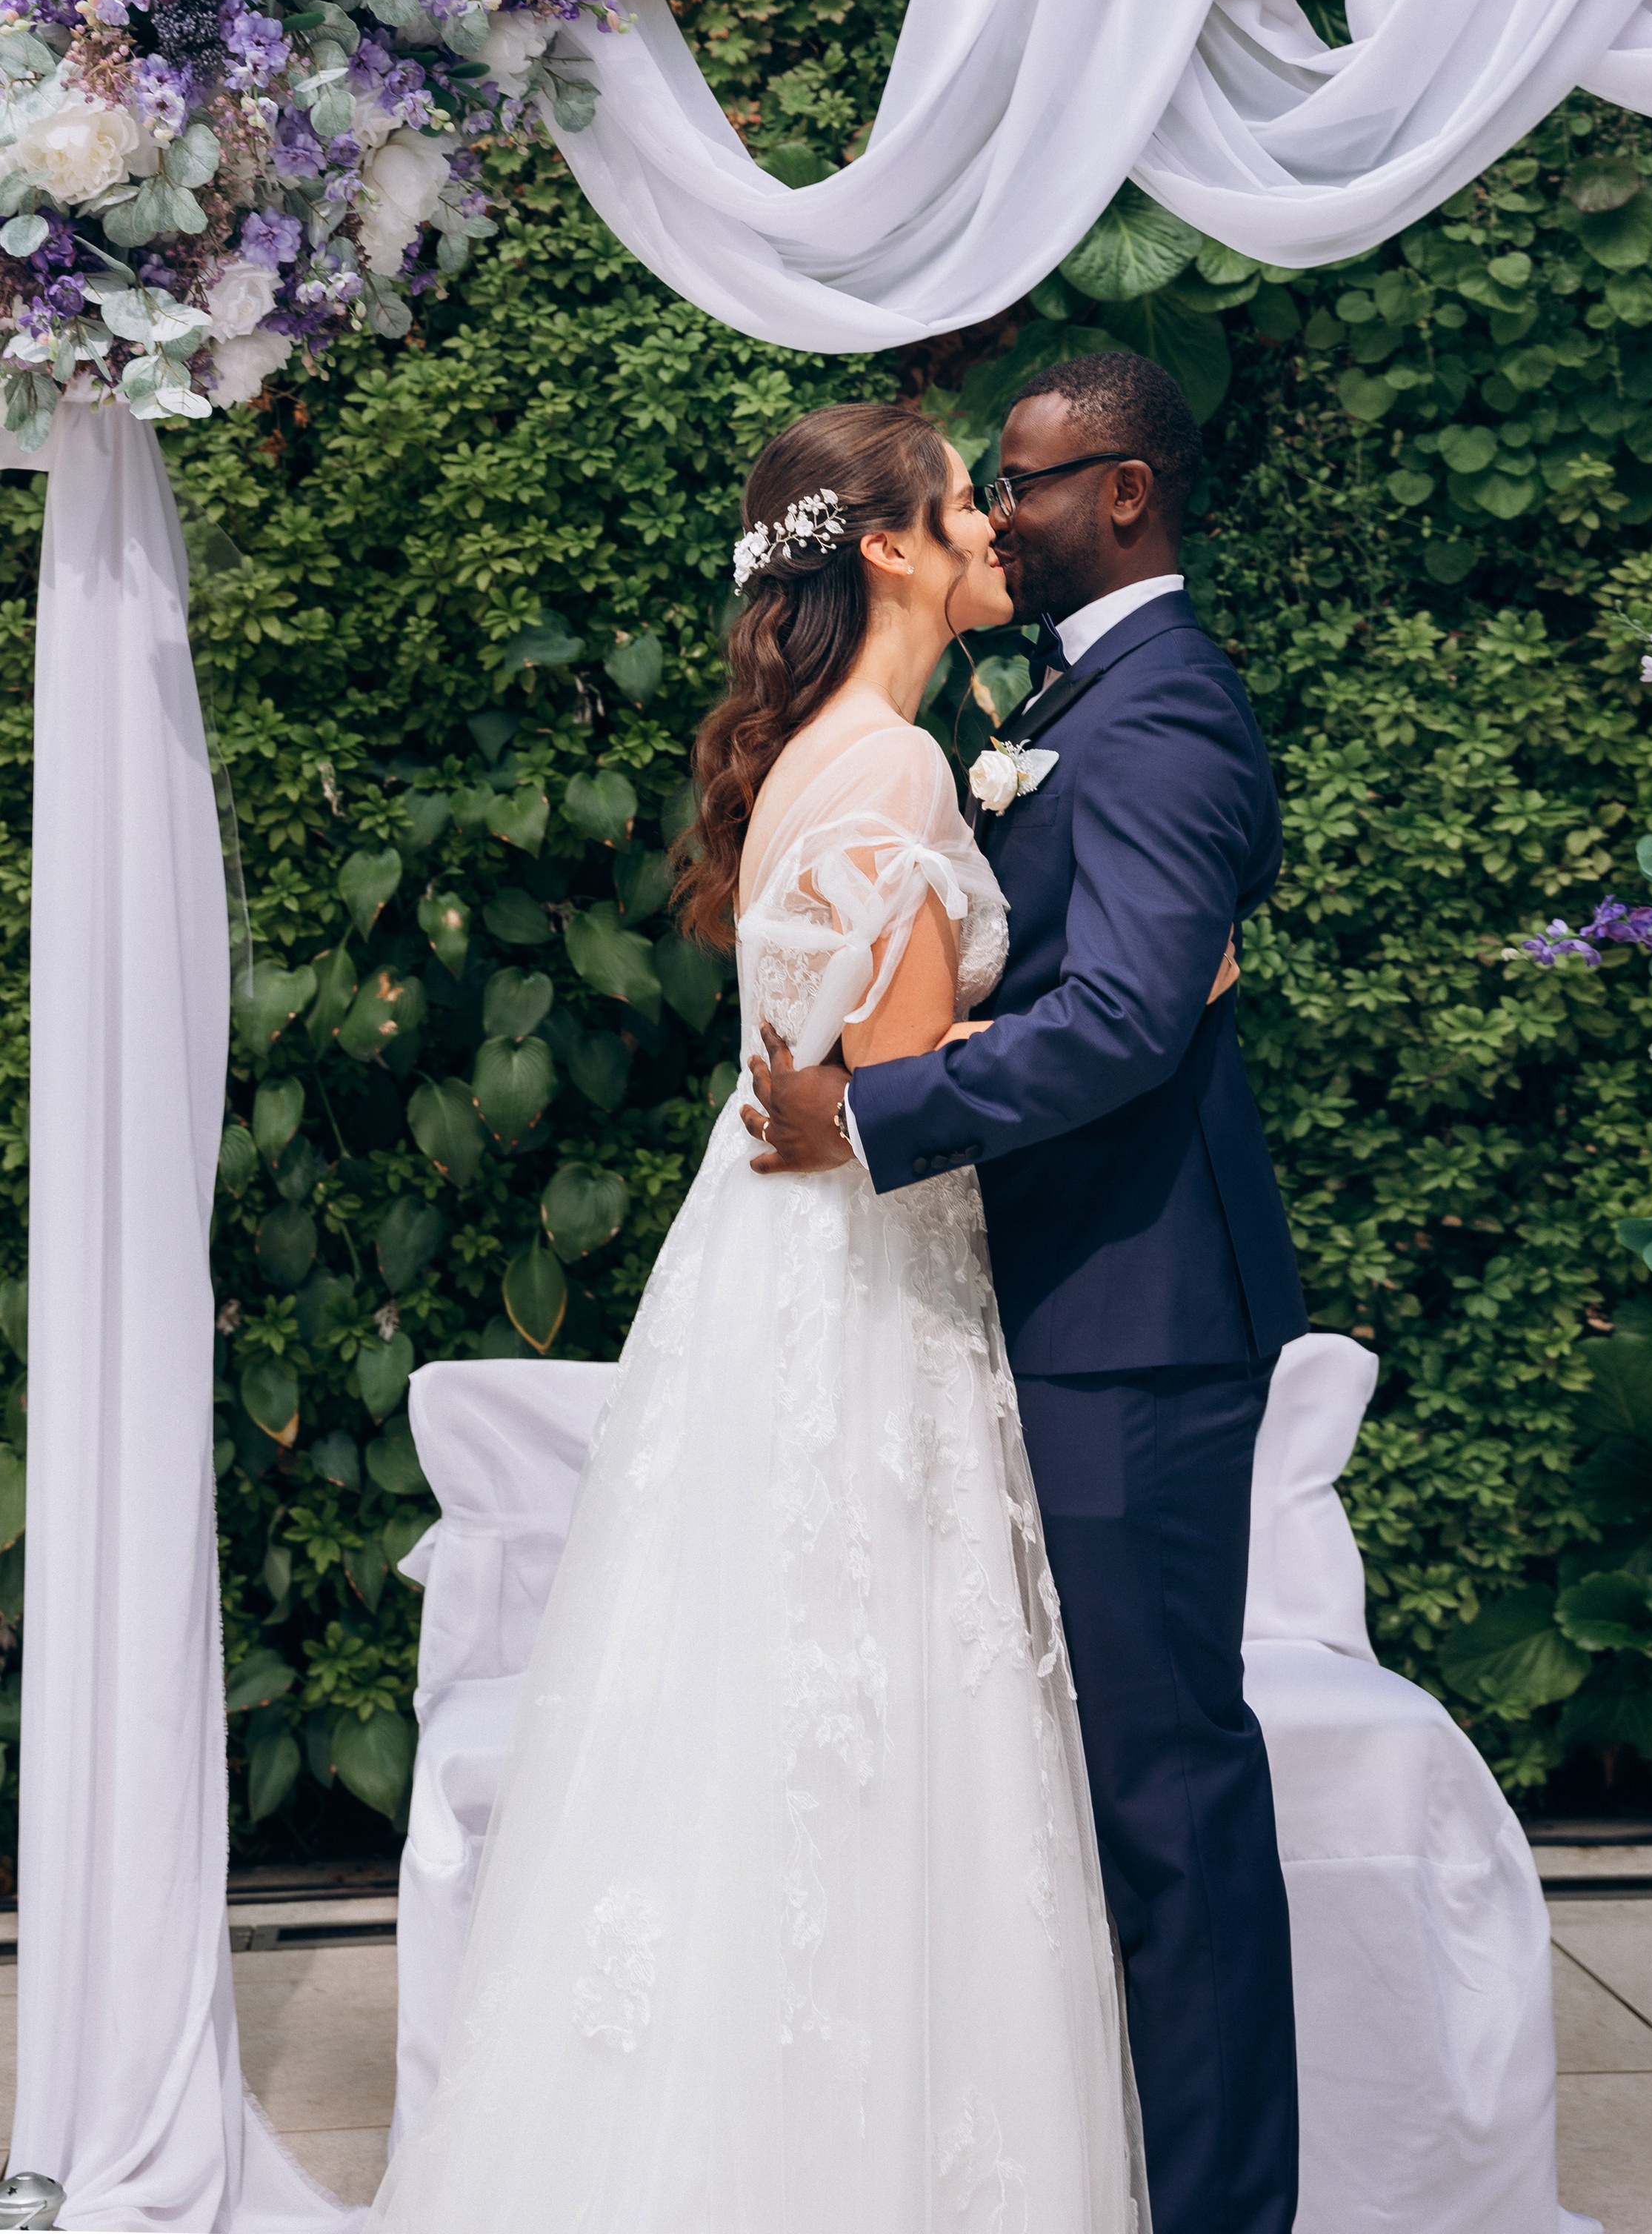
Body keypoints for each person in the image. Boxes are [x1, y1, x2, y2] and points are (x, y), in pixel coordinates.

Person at [369, 400, 1150, 2231]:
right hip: (867, 1284)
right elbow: (891, 1092)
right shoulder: (889, 771)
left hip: (777, 1273)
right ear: (883, 546)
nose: (988, 526)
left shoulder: (820, 752)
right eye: (963, 501)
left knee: (776, 1720)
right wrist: (1142, 995)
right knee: (875, 1729)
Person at [748, 350, 1307, 2234]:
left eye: (1029, 482)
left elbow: (1135, 1018)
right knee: (1086, 1799)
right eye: (974, 489)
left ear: (1127, 494)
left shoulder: (1154, 717)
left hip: (1135, 1321)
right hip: (1056, 1300)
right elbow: (1122, 984)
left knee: (1166, 1799)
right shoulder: (1068, 699)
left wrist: (881, 1106)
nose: (998, 513)